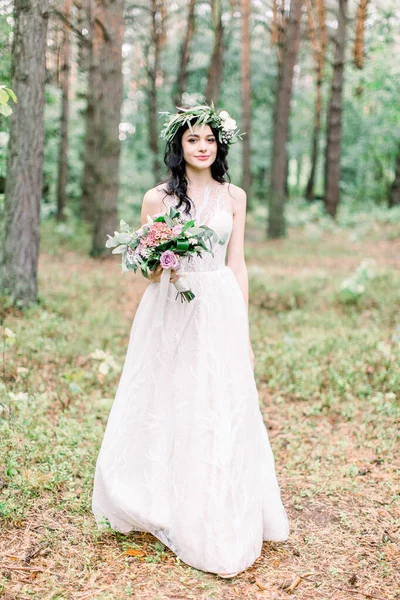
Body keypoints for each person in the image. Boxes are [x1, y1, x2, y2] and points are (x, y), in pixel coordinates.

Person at [92, 104, 289, 578]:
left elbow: (236, 262)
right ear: (178, 147)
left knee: (219, 399)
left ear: (219, 146)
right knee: (169, 394)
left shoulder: (235, 196)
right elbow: (150, 274)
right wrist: (162, 257)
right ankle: (158, 495)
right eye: (192, 140)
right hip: (172, 304)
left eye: (209, 140)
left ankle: (215, 498)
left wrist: (242, 324)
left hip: (218, 303)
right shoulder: (156, 198)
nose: (202, 147)